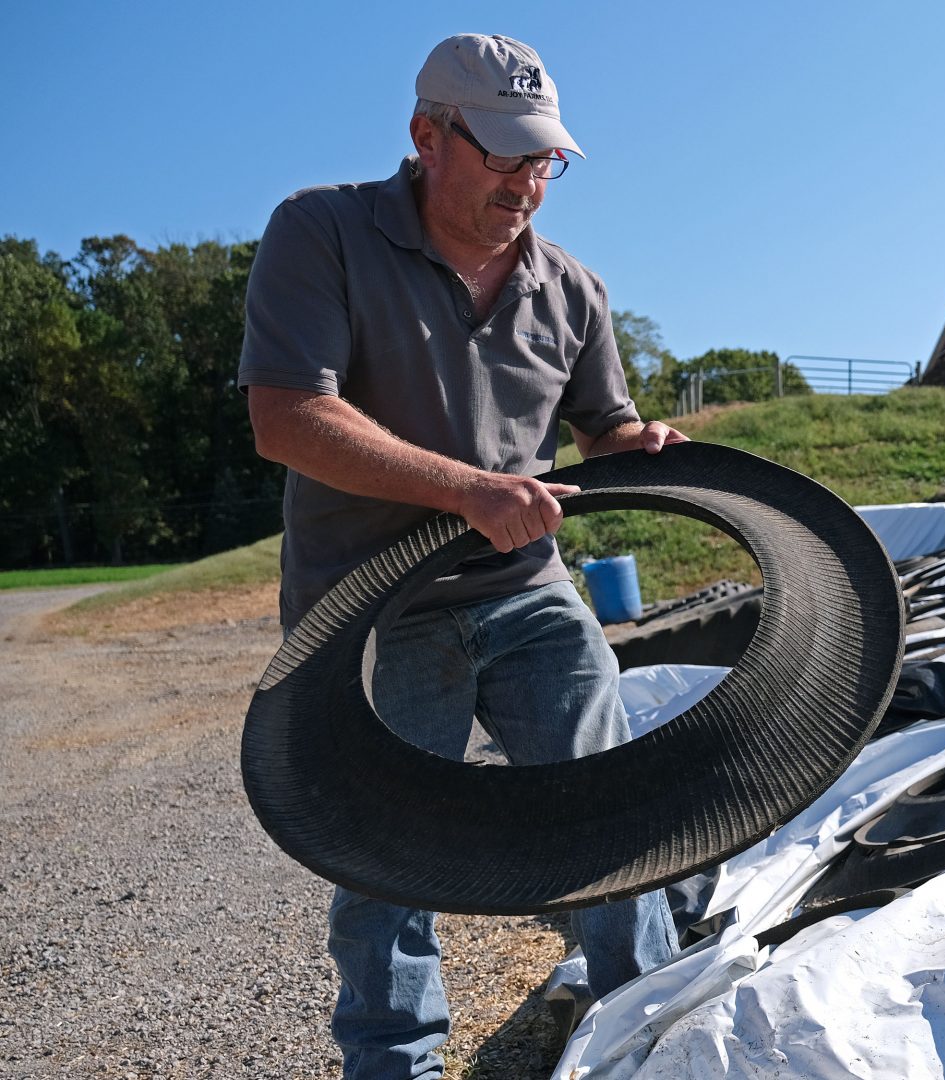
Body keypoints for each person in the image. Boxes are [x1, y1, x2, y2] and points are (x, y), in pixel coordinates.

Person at [237, 33, 684, 1080]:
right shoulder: (323, 232)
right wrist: (468, 490)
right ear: (427, 136)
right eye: (504, 155)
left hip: (527, 589)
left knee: (608, 806)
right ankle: (393, 1063)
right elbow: (288, 417)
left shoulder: (572, 288)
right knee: (388, 854)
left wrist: (642, 447)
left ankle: (652, 1031)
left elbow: (601, 431)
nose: (527, 183)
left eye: (544, 161)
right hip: (371, 608)